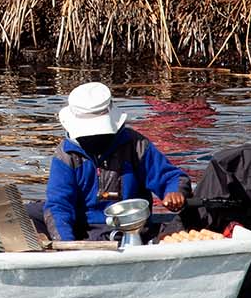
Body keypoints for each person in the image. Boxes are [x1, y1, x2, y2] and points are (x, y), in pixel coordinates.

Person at [43, 82, 188, 242]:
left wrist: (174, 191)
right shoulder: (66, 155)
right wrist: (66, 245)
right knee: (33, 213)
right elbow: (59, 205)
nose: (95, 139)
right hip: (86, 233)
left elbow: (171, 177)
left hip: (135, 229)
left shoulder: (135, 145)